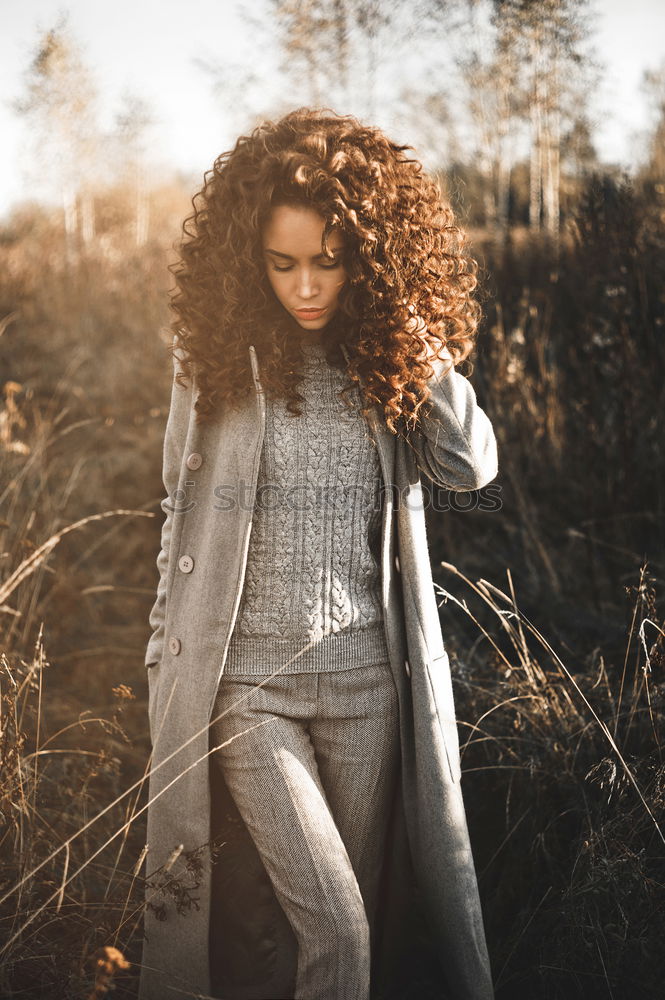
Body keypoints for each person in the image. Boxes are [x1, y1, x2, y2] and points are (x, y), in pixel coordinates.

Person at [139, 106, 499, 1000]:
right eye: (282, 263)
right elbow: (177, 517)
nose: (305, 285)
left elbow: (469, 468)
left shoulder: (383, 357)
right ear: (247, 258)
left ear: (367, 257)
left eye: (329, 261)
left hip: (367, 689)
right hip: (248, 690)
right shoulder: (215, 356)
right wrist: (160, 647)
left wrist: (421, 344)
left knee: (341, 930)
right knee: (333, 923)